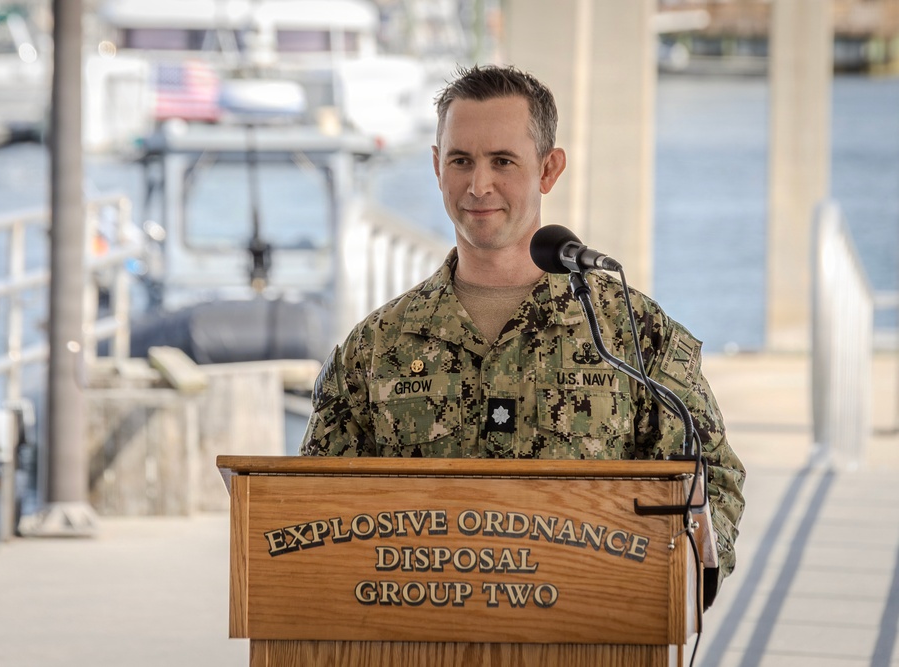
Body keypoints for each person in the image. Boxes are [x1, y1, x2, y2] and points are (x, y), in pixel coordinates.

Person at [300, 64, 745, 607]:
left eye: (503, 161)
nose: (478, 184)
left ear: (548, 169)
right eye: (461, 160)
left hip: (594, 631)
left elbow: (711, 478)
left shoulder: (630, 331)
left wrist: (682, 580)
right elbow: (313, 501)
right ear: (437, 167)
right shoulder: (377, 347)